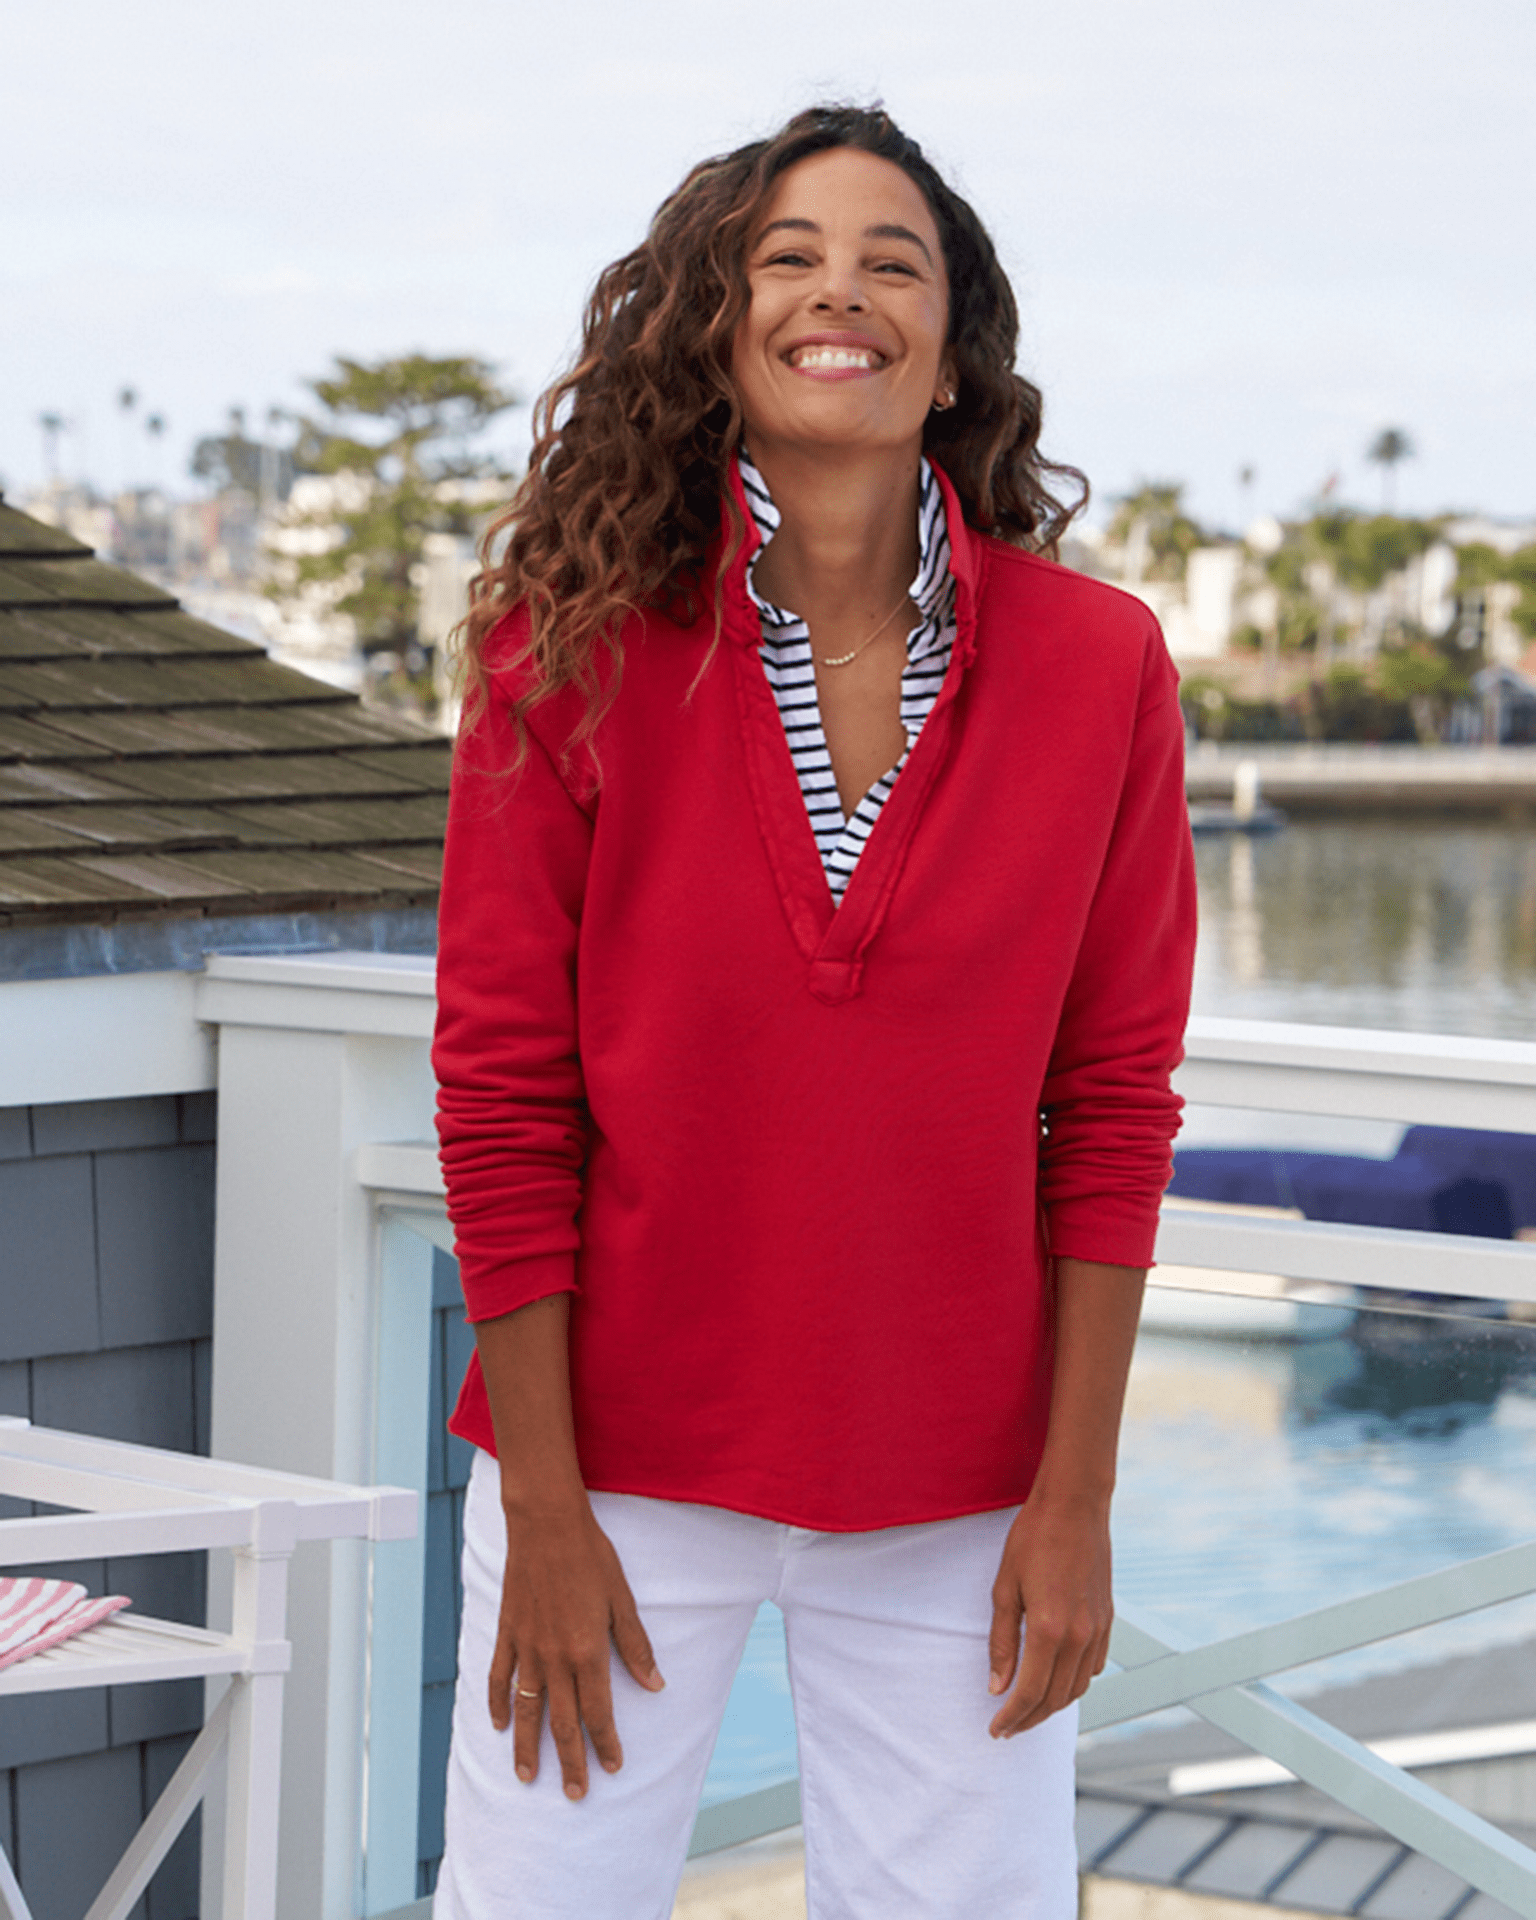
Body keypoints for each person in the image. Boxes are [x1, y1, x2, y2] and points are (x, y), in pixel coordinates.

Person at [432, 103, 1196, 1920]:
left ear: (952, 350)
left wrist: (1074, 1501)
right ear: (718, 323)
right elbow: (502, 1094)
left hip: (965, 1487)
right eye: (787, 257)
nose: (836, 292)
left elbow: (1112, 1101)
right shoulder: (572, 649)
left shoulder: (1101, 671)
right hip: (614, 1471)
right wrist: (546, 1510)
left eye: (890, 260)